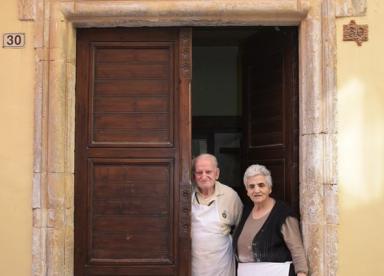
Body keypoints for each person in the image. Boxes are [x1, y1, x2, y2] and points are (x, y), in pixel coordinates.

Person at [233, 164, 308, 276]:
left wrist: (301, 273)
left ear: (270, 188)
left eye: (261, 185)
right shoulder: (245, 211)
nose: (256, 190)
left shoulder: (283, 213)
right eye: (251, 186)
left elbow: (296, 249)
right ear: (247, 191)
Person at [191, 153, 243, 276]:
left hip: (221, 264)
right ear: (194, 175)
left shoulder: (230, 196)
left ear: (217, 173)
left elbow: (241, 229)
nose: (204, 176)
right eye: (199, 172)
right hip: (195, 264)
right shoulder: (187, 195)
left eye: (208, 172)